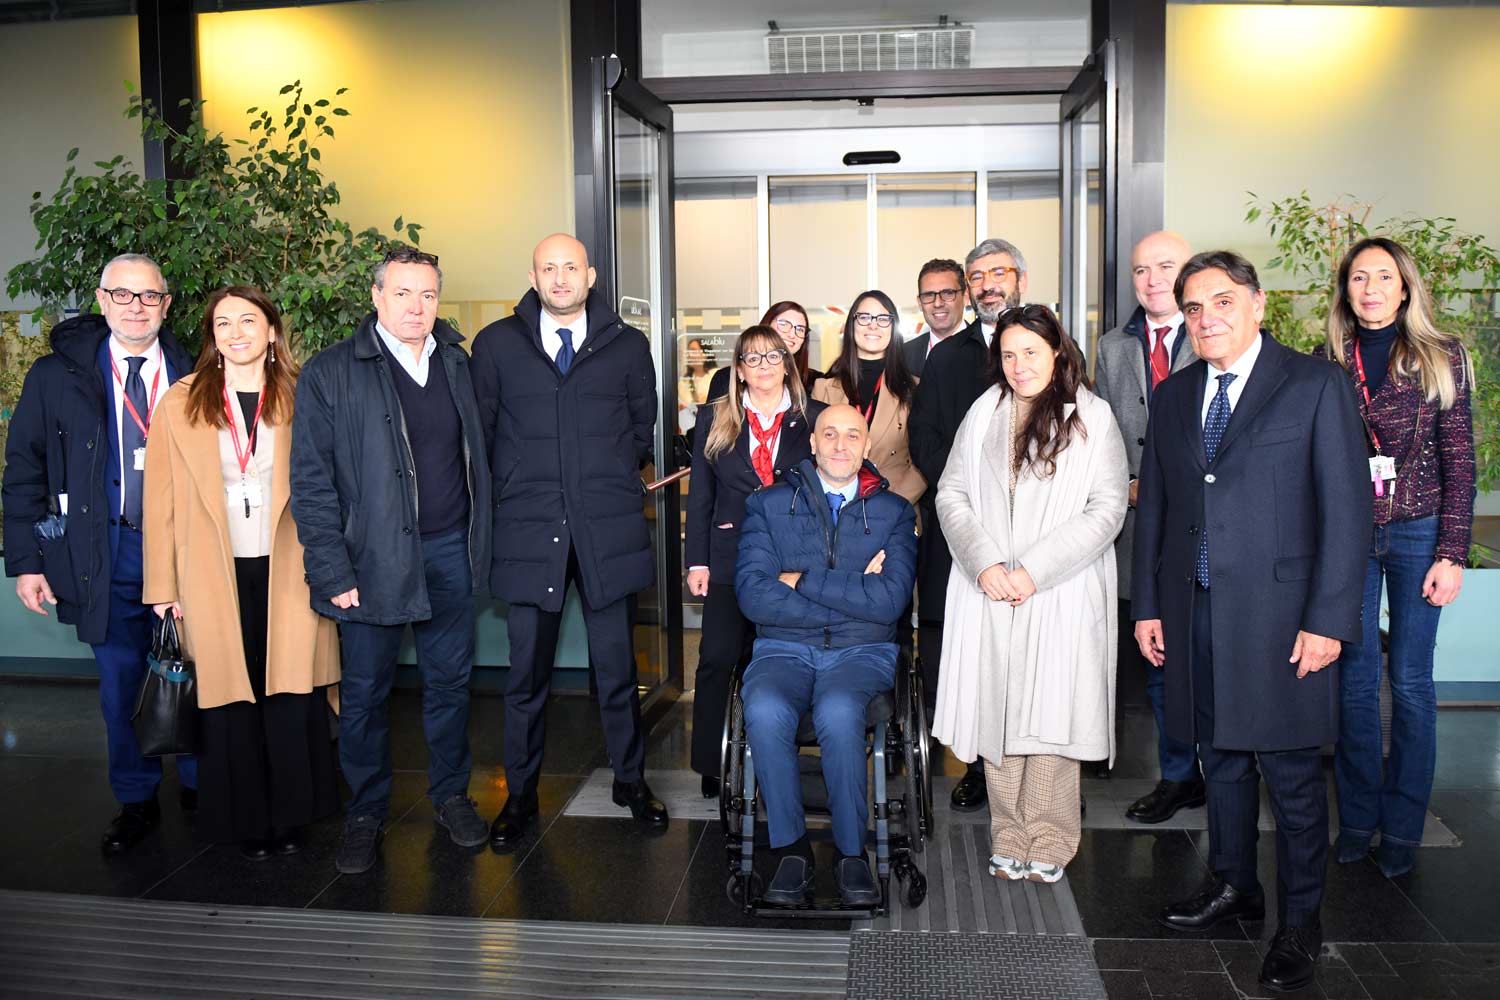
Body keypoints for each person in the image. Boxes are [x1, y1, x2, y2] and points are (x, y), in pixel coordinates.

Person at [1133, 251, 1370, 993]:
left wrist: (1329, 620)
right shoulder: (1173, 397)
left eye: (1222, 302)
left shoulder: (1315, 385)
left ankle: (1300, 923)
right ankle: (1235, 883)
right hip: (1196, 612)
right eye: (1194, 307)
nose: (1207, 318)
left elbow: (1347, 513)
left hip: (1283, 620)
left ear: (1258, 305)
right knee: (1221, 758)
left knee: (1293, 778)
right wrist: (1148, 604)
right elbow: (1159, 513)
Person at [291, 246, 493, 875]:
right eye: (402, 293)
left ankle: (451, 796)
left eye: (428, 294)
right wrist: (331, 570)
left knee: (451, 686)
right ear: (375, 297)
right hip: (370, 559)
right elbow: (312, 481)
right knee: (365, 695)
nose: (416, 306)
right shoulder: (331, 371)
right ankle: (366, 812)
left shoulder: (457, 363)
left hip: (450, 552)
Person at [472, 233, 668, 850]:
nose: (560, 279)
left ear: (591, 276)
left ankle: (631, 782)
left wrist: (603, 477)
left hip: (605, 528)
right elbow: (482, 430)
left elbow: (643, 426)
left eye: (570, 268)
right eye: (548, 269)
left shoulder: (627, 345)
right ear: (533, 276)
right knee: (526, 676)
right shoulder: (497, 345)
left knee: (616, 671)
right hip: (530, 530)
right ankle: (521, 796)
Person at [2, 253, 199, 854]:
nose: (135, 307)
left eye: (148, 297)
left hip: (186, 552)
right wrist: (27, 561)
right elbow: (24, 468)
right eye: (122, 295)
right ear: (101, 299)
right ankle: (137, 798)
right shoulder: (56, 376)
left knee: (196, 674)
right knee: (119, 684)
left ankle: (198, 785)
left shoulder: (199, 369)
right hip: (103, 549)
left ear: (166, 305)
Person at [142, 285, 339, 859]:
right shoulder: (180, 403)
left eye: (248, 320)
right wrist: (162, 586)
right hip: (212, 573)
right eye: (222, 323)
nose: (235, 332)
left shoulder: (306, 396)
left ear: (272, 331)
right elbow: (161, 502)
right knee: (232, 699)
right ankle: (244, 821)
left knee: (287, 693)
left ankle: (291, 818)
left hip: (291, 569)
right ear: (211, 336)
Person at [932, 305, 1127, 883]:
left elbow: (1108, 509)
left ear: (1058, 354)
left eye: (1031, 353)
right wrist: (985, 563)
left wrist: (1034, 570)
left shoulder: (1093, 417)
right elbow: (951, 493)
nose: (1019, 366)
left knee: (1050, 715)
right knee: (998, 709)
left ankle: (1052, 836)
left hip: (1058, 588)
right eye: (1009, 355)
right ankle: (1008, 832)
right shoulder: (984, 410)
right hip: (987, 586)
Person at [1322, 237, 1476, 879]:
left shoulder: (1442, 357)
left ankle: (1405, 830)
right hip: (1352, 536)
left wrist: (1453, 552)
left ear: (1405, 287)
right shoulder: (1328, 359)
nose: (1371, 287)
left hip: (1420, 533)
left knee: (1411, 683)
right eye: (1360, 277)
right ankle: (1358, 821)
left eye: (1383, 276)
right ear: (1347, 290)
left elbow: (1460, 461)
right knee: (1354, 685)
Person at [734, 404, 918, 905]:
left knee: (839, 710)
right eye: (829, 434)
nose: (840, 445)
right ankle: (791, 850)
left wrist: (802, 580)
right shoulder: (768, 505)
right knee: (766, 708)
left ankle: (851, 852)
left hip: (863, 652)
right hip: (782, 647)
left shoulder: (895, 512)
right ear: (811, 443)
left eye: (851, 435)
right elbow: (753, 594)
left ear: (866, 446)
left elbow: (890, 602)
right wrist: (854, 590)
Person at [908, 237, 1029, 811]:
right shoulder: (948, 357)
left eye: (997, 273)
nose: (987, 285)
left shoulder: (1049, 346)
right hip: (960, 528)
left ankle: (1040, 772)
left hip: (1034, 535)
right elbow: (923, 437)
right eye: (977, 276)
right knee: (966, 650)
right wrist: (968, 496)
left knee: (1030, 653)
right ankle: (978, 768)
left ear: (1020, 279)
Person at [685, 326, 826, 799]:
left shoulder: (814, 417)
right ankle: (712, 761)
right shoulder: (716, 417)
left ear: (787, 363)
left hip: (793, 561)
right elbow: (703, 491)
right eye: (751, 358)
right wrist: (696, 561)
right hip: (729, 556)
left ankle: (777, 756)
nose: (763, 366)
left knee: (780, 661)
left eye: (772, 356)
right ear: (739, 371)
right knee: (718, 657)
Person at [1093, 231, 1204, 822]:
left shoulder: (1212, 332)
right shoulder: (1113, 346)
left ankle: (1224, 768)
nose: (1153, 279)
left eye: (1166, 267)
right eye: (1142, 270)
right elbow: (1102, 429)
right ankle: (1178, 776)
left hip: (1206, 527)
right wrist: (1123, 484)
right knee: (1156, 654)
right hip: (1138, 524)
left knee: (1208, 655)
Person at [812, 290, 925, 509]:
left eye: (883, 319)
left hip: (895, 508)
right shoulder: (823, 388)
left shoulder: (914, 389)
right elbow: (815, 456)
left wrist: (890, 506)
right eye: (864, 317)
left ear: (894, 327)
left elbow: (923, 461)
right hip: (835, 509)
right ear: (851, 324)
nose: (873, 325)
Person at [708, 301, 821, 400]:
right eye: (783, 324)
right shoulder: (726, 378)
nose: (792, 334)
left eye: (800, 329)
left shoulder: (816, 381)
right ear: (766, 325)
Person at [904, 258, 968, 375]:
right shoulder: (903, 356)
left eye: (948, 293)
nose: (938, 303)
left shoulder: (990, 350)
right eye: (929, 295)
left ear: (965, 297)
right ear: (919, 303)